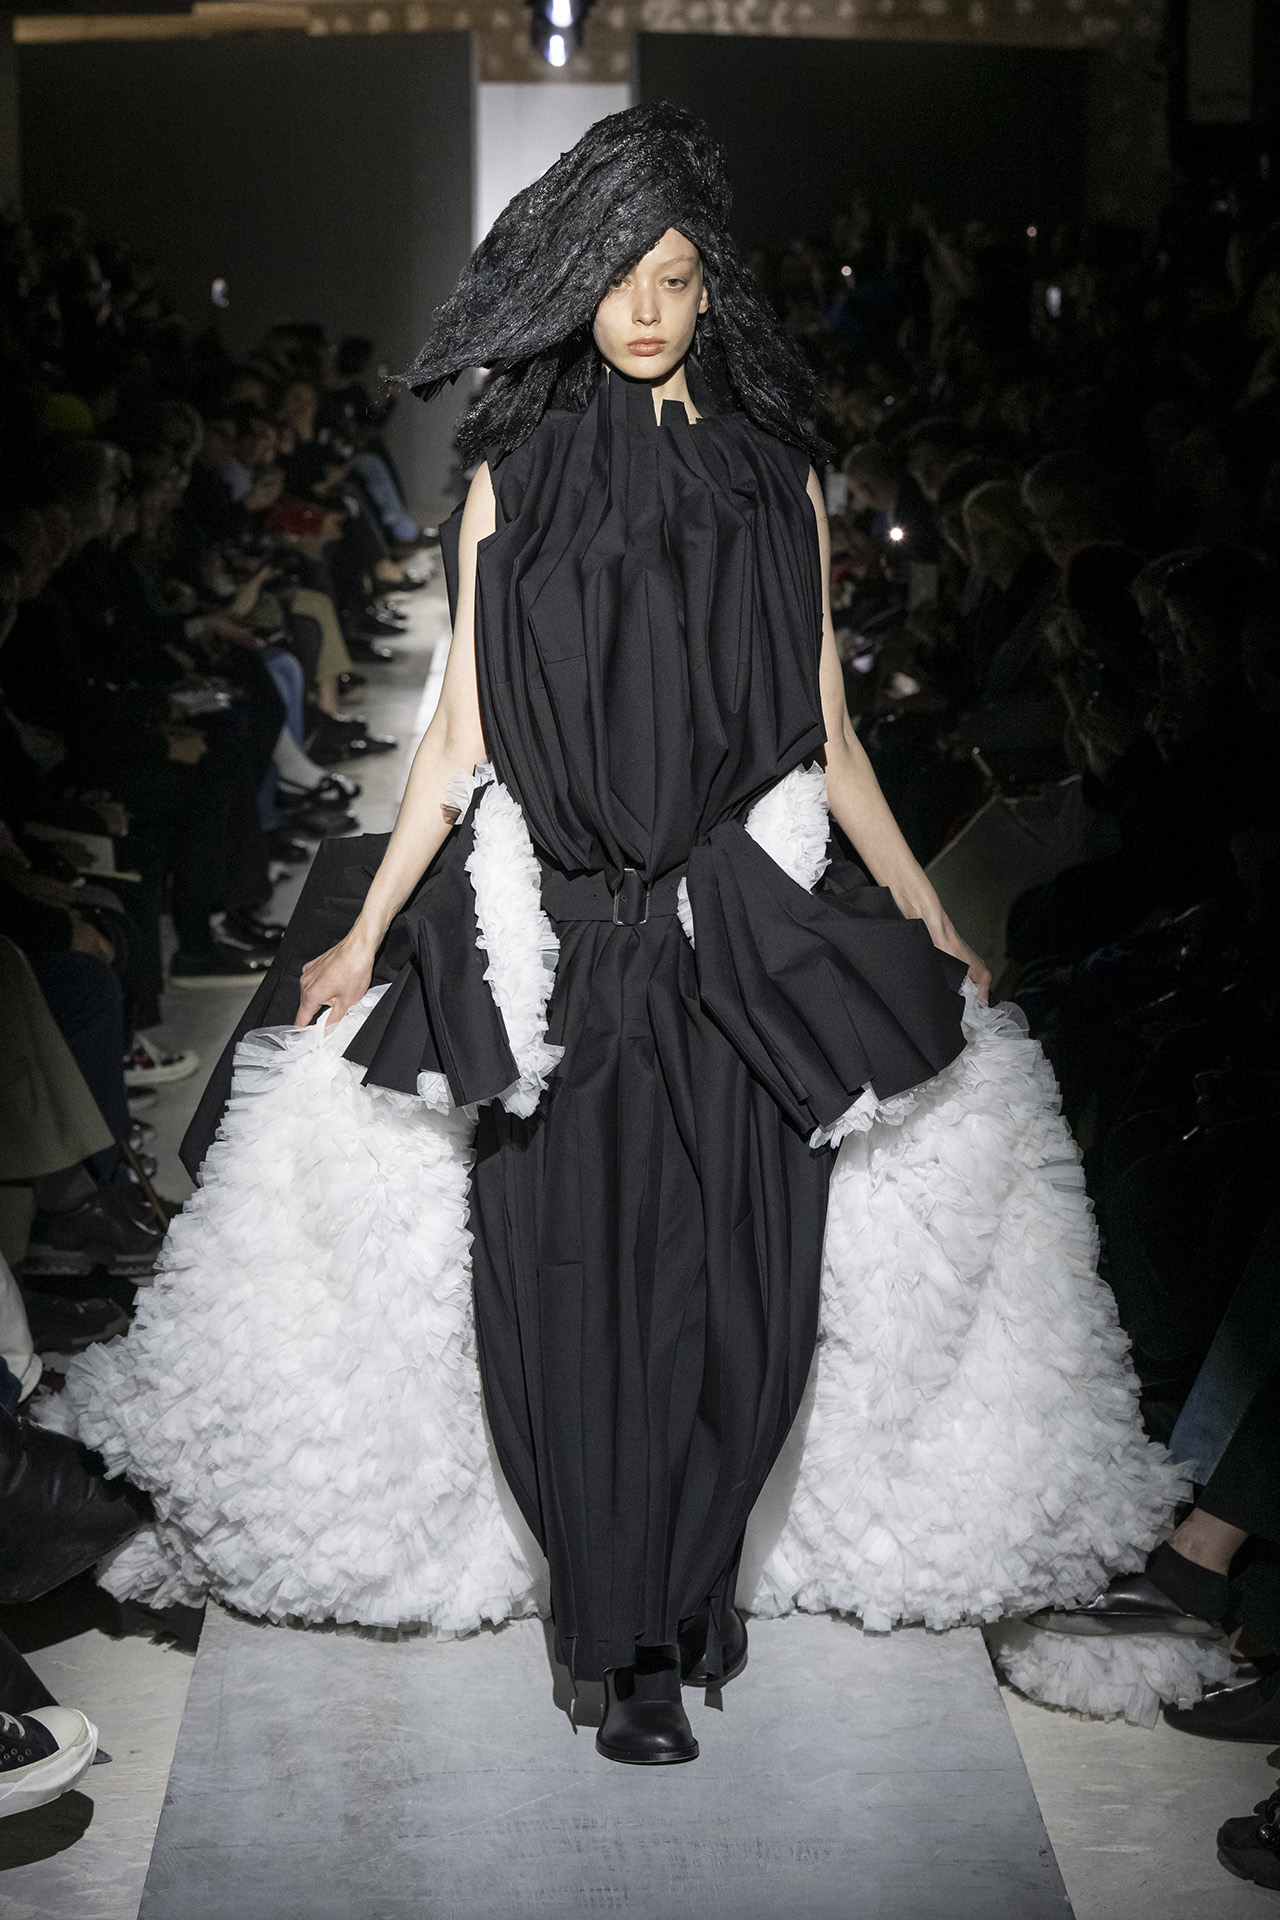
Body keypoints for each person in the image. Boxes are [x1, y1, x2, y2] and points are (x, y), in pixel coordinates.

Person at [56, 107, 1186, 1766]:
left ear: (712, 288)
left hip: (741, 944)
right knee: (570, 1292)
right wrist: (369, 929)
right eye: (616, 278)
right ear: (572, 287)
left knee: (741, 1296)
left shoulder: (778, 480)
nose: (645, 309)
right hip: (570, 944)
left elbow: (827, 729)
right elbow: (456, 738)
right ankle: (627, 1636)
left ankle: (692, 1590)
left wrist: (930, 910)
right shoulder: (509, 484)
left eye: (672, 277)